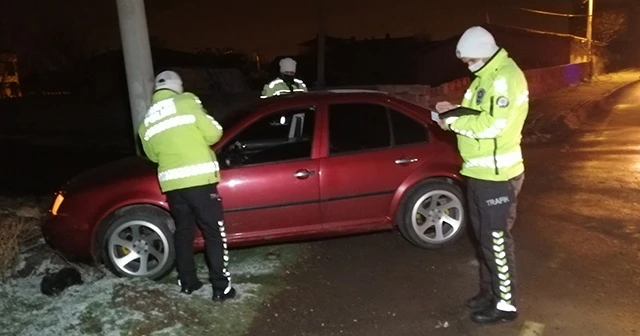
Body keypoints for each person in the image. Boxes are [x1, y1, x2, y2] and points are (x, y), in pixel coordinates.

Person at [435, 26, 528, 324]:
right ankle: (490, 292)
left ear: (484, 53)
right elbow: (476, 113)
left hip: (497, 175)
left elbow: (493, 126)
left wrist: (452, 122)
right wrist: (454, 110)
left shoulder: (504, 78)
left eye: (469, 60)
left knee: (497, 241)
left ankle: (506, 305)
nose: (467, 65)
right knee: (484, 239)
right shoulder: (485, 77)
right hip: (479, 171)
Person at [138, 70, 236, 302]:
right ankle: (221, 288)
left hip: (173, 185)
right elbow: (214, 133)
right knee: (214, 233)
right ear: (177, 86)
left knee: (183, 232)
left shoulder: (146, 121)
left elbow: (152, 155)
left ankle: (188, 282)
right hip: (199, 181)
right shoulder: (187, 101)